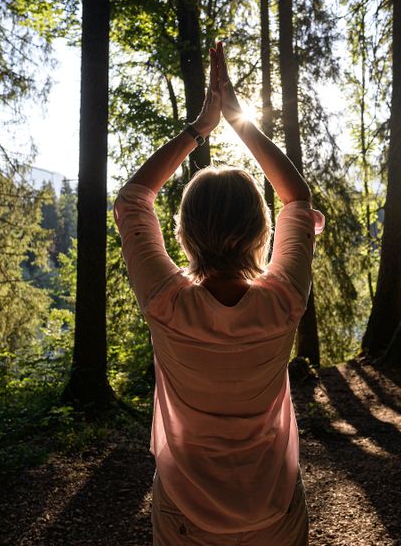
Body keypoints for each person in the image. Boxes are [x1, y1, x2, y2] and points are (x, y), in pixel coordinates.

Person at [114, 40, 324, 545]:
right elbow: (297, 197)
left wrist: (199, 127)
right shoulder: (282, 302)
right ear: (261, 232)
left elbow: (133, 199)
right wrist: (237, 120)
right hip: (273, 506)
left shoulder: (167, 304)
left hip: (187, 512)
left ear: (184, 234)